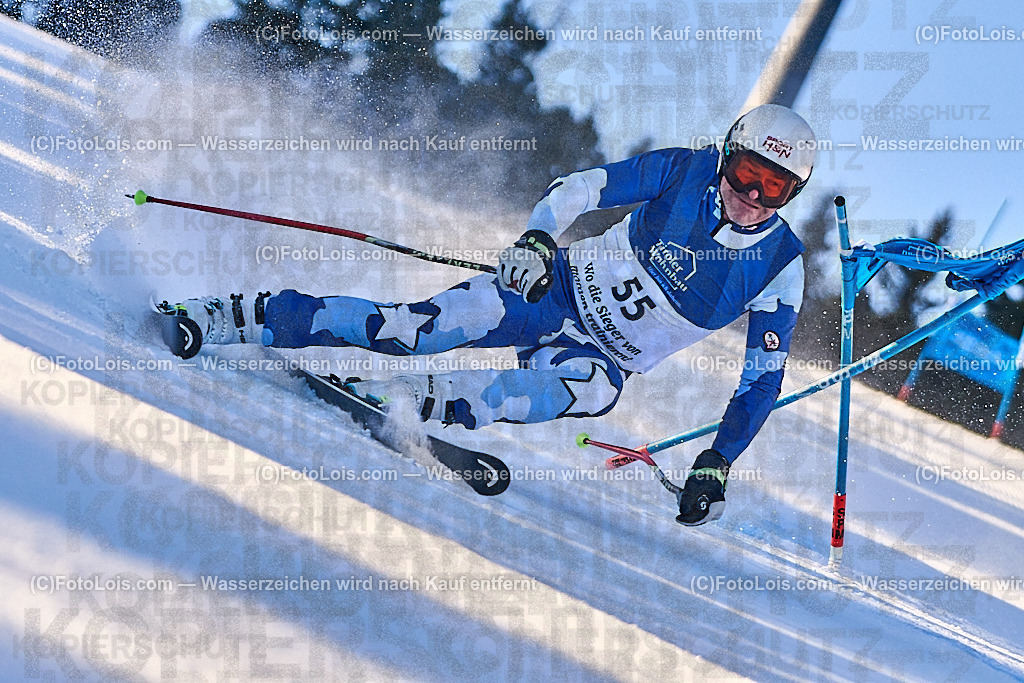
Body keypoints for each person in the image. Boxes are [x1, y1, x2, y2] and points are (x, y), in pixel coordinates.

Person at [161, 103, 816, 526]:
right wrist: (535, 240)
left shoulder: (781, 263)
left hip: (597, 357)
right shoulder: (684, 169)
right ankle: (231, 315)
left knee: (588, 390)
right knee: (407, 329)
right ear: (729, 153)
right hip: (549, 292)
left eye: (776, 188)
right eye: (749, 173)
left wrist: (718, 459)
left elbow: (762, 378)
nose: (753, 197)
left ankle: (416, 404)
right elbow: (581, 188)